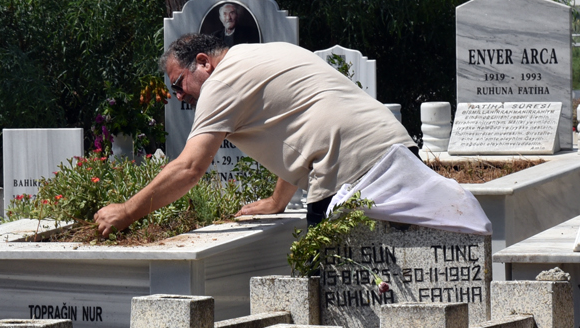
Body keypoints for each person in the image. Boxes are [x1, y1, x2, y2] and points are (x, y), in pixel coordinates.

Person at [94, 34, 415, 235]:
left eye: (178, 84)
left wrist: (126, 212)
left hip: (350, 173)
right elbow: (304, 131)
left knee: (332, 291)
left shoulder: (220, 83)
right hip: (399, 149)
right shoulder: (266, 52)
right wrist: (277, 201)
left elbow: (189, 168)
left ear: (203, 63)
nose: (178, 95)